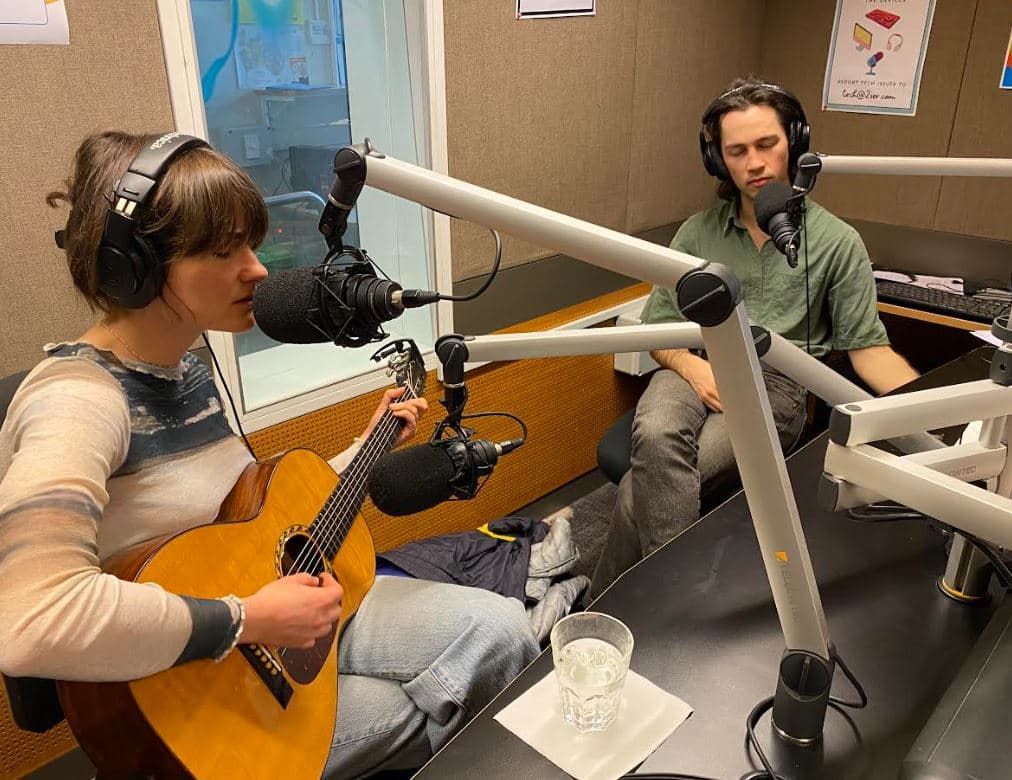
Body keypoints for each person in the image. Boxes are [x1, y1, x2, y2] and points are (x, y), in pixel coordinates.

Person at [0, 131, 539, 778]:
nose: (257, 270)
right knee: (437, 700)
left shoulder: (186, 371)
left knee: (500, 633)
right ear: (134, 265)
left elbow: (250, 525)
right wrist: (248, 618)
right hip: (206, 692)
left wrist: (364, 449)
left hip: (278, 617)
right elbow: (31, 620)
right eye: (225, 250)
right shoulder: (77, 400)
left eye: (250, 246)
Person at [591, 77, 918, 596]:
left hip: (777, 385)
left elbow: (869, 351)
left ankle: (610, 606)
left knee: (642, 486)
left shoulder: (837, 242)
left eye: (767, 144)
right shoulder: (698, 233)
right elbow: (658, 329)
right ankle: (668, 603)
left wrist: (933, 418)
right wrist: (693, 367)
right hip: (694, 364)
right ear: (718, 161)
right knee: (654, 436)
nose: (756, 163)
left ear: (795, 142)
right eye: (738, 151)